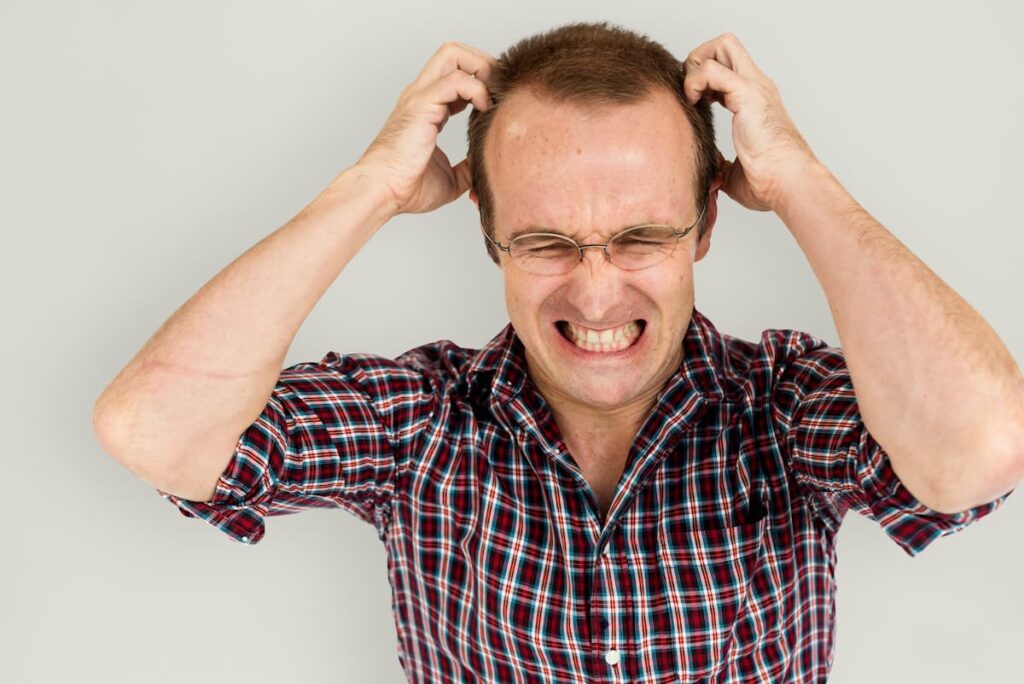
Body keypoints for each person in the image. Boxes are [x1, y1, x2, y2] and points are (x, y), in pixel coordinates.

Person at [92, 21, 1022, 684]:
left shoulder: (781, 404)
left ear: (705, 226)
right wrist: (367, 188)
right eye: (545, 242)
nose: (596, 290)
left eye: (640, 235)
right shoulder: (420, 421)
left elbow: (982, 446)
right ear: (488, 235)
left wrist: (800, 183)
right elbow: (154, 430)